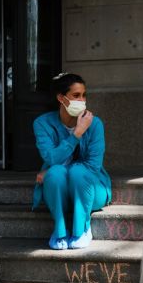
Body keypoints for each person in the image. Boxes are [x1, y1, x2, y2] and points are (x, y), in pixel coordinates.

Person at [32, 73, 112, 250]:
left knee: (76, 172)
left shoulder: (95, 124)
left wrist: (83, 129)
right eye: (76, 96)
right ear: (61, 98)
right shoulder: (42, 123)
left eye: (84, 95)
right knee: (55, 173)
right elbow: (50, 158)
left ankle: (82, 229)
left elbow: (92, 166)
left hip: (90, 188)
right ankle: (59, 231)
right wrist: (76, 134)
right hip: (59, 190)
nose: (82, 100)